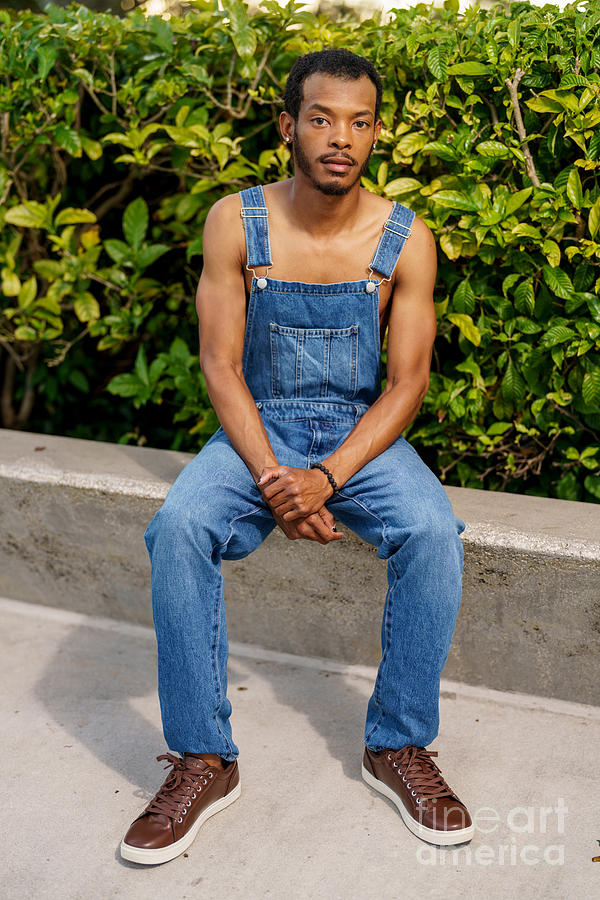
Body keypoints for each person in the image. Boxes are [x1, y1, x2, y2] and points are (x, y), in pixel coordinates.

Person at [120, 48, 473, 866]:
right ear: (289, 126)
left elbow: (408, 384)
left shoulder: (405, 237)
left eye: (358, 121)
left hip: (358, 434)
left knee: (432, 533)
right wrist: (281, 482)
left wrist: (326, 478)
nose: (339, 137)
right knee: (178, 527)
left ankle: (397, 744)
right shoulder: (233, 220)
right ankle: (204, 758)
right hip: (259, 426)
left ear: (377, 133)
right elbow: (219, 365)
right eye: (320, 118)